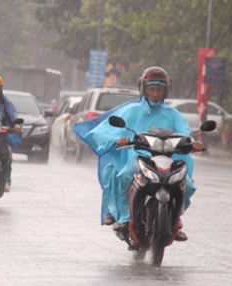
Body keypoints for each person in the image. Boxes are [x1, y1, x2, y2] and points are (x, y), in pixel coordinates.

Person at [75, 67, 204, 241]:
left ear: (166, 90)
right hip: (135, 158)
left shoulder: (173, 114)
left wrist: (192, 143)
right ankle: (124, 218)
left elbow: (185, 133)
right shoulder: (131, 111)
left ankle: (174, 219)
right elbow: (103, 131)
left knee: (186, 185)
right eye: (152, 89)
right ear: (144, 89)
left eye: (159, 89)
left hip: (169, 159)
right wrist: (117, 140)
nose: (155, 93)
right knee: (125, 175)